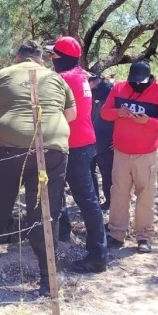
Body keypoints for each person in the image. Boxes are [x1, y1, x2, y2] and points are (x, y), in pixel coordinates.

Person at [0, 40, 75, 295]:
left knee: (0, 196)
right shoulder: (55, 78)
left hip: (7, 147)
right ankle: (48, 278)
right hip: (51, 149)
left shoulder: (0, 75)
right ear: (41, 60)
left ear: (17, 57)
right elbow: (70, 114)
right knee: (44, 210)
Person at [101, 60, 158, 253]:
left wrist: (148, 121)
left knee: (146, 196)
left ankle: (144, 236)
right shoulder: (119, 88)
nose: (136, 85)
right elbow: (104, 113)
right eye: (133, 81)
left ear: (149, 78)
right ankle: (117, 234)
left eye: (140, 82)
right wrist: (118, 112)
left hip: (146, 155)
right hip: (121, 153)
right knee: (118, 193)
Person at [48, 37, 108, 273]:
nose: (51, 60)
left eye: (53, 56)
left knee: (85, 200)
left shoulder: (62, 79)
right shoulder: (80, 76)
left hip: (72, 145)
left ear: (61, 58)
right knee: (87, 199)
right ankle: (72, 239)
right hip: (85, 142)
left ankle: (97, 256)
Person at [89, 73, 115, 210]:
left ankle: (110, 201)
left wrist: (116, 139)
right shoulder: (93, 94)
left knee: (107, 172)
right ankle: (94, 200)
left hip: (107, 140)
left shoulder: (111, 93)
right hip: (92, 140)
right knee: (90, 170)